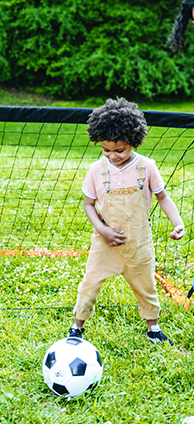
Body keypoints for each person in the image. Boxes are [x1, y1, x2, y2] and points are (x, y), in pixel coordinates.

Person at [68, 98, 184, 345]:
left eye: (119, 150)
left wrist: (177, 223)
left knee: (147, 288)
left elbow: (162, 197)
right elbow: (88, 204)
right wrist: (102, 229)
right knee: (89, 284)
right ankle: (77, 327)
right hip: (105, 244)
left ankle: (153, 327)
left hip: (138, 244)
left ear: (134, 142)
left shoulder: (146, 167)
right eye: (106, 149)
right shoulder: (96, 170)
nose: (113, 156)